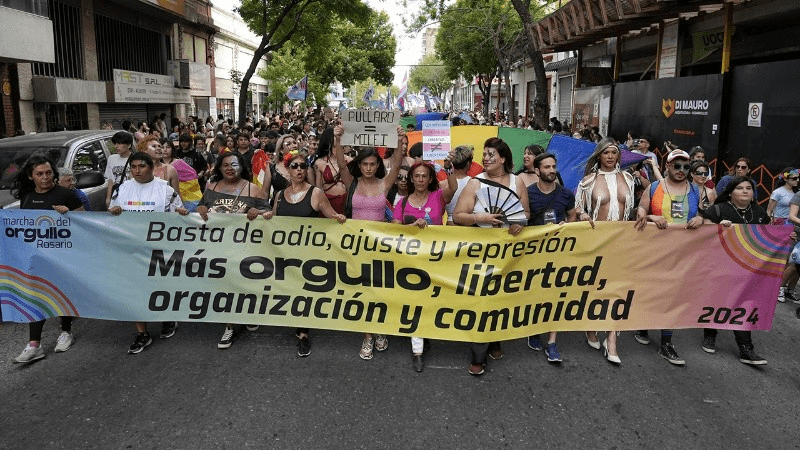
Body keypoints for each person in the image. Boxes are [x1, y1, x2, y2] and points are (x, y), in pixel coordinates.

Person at [453, 137, 530, 376]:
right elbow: (458, 216)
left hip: (508, 253)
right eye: (484, 154)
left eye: (490, 154)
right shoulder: (475, 184)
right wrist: (480, 218)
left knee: (500, 299)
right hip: (480, 252)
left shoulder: (518, 183)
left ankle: (495, 340)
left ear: (503, 158)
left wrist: (519, 223)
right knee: (481, 300)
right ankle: (479, 354)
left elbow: (525, 212)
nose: (485, 158)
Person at [262, 151, 346, 357]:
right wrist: (264, 215)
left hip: (308, 255)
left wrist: (339, 218)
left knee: (303, 294)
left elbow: (331, 217)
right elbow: (274, 218)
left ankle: (303, 334)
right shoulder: (280, 195)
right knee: (289, 291)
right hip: (285, 254)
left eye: (302, 166)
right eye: (295, 166)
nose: (299, 169)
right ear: (288, 170)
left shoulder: (316, 193)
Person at [334, 124, 406, 360]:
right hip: (357, 248)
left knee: (380, 292)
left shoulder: (384, 184)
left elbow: (396, 163)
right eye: (364, 164)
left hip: (381, 248)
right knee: (363, 292)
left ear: (377, 166)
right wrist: (337, 140)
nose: (368, 168)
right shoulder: (351, 182)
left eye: (372, 164)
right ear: (360, 165)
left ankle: (381, 329)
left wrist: (399, 139)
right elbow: (341, 163)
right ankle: (367, 336)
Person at [109, 152, 188, 354]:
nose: (137, 171)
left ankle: (168, 317)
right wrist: (114, 211)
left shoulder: (165, 190)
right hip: (131, 250)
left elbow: (178, 218)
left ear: (151, 167)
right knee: (135, 291)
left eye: (141, 167)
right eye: (133, 167)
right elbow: (111, 213)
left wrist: (182, 215)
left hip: (159, 250)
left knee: (160, 287)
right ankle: (142, 333)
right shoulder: (123, 189)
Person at [634, 149, 704, 365]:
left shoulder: (694, 189)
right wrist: (652, 216)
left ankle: (666, 342)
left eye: (686, 167)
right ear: (667, 167)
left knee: (673, 295)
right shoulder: (655, 187)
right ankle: (643, 325)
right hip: (654, 250)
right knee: (651, 289)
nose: (681, 170)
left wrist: (700, 219)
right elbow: (641, 211)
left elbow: (702, 213)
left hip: (682, 253)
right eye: (677, 166)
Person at [11, 155, 84, 363]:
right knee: (35, 297)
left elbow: (87, 222)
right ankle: (34, 345)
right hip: (36, 256)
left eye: (49, 173)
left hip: (62, 255)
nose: (45, 178)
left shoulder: (66, 195)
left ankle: (66, 331)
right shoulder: (26, 197)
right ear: (31, 176)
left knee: (61, 292)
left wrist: (69, 214)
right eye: (40, 174)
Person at [196, 152, 269, 349]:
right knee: (225, 285)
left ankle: (248, 314)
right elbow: (202, 206)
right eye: (225, 165)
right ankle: (229, 325)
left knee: (244, 283)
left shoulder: (253, 189)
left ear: (241, 167)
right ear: (219, 168)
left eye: (234, 165)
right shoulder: (212, 187)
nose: (229, 168)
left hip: (245, 248)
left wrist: (259, 212)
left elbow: (270, 214)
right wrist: (200, 209)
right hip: (218, 248)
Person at [575, 138, 635, 364]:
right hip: (596, 240)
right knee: (595, 288)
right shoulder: (588, 181)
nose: (610, 156)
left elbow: (634, 207)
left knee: (617, 290)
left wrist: (640, 212)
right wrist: (581, 214)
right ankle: (591, 327)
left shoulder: (628, 178)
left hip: (621, 240)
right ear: (599, 155)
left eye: (614, 153)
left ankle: (612, 341)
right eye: (606, 153)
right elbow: (578, 206)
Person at [393, 160, 458, 372]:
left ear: (430, 179)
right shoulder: (401, 203)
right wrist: (412, 227)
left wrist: (448, 168)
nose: (420, 180)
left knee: (432, 300)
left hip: (437, 260)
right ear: (411, 178)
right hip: (411, 262)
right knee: (415, 300)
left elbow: (453, 187)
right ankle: (417, 349)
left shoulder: (438, 196)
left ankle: (426, 332)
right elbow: (394, 232)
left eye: (424, 176)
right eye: (417, 176)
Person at [701, 176, 770, 365]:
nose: (746, 191)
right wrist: (718, 229)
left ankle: (746, 349)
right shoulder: (717, 210)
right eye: (740, 188)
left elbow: (768, 238)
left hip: (746, 268)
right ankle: (710, 334)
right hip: (719, 266)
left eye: (749, 188)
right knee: (717, 300)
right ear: (730, 192)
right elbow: (703, 236)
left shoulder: (760, 213)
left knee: (743, 305)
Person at [525, 153, 577, 363]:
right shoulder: (527, 193)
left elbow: (572, 213)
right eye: (546, 167)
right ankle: (534, 330)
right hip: (534, 254)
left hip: (559, 252)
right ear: (537, 171)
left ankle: (552, 342)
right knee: (536, 294)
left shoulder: (565, 194)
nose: (552, 170)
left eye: (554, 166)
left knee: (555, 296)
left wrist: (569, 226)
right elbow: (522, 219)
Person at [313, 128, 348, 214]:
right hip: (328, 203)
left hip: (346, 202)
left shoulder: (350, 161)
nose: (339, 137)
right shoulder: (319, 163)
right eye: (336, 135)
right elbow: (318, 189)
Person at [443, 145, 475, 225]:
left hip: (449, 226)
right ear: (468, 164)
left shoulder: (442, 184)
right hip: (468, 228)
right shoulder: (475, 183)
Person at [105, 131, 134, 207]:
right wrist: (108, 198)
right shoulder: (112, 158)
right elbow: (111, 181)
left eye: (120, 143)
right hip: (116, 195)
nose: (116, 146)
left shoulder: (135, 159)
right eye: (115, 143)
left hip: (131, 195)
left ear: (129, 145)